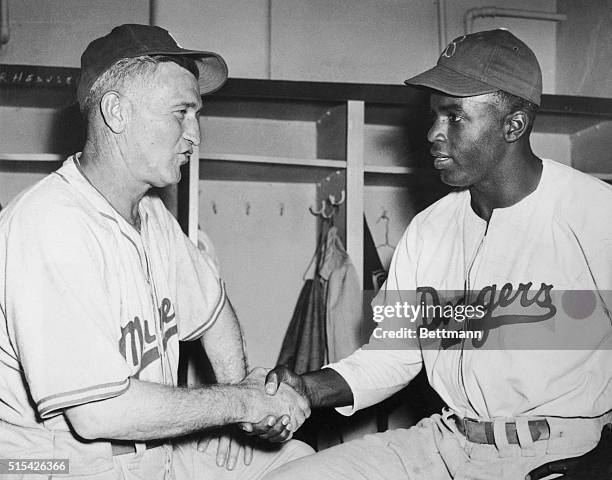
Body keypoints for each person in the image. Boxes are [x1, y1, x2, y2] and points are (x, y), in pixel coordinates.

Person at [246, 29, 612, 479]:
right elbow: (392, 355)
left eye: (455, 117)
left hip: (561, 452)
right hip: (445, 442)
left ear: (513, 125)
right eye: (435, 115)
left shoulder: (594, 214)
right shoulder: (429, 228)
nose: (434, 133)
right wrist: (305, 388)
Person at [0, 24, 314, 479]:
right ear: (116, 112)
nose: (195, 135)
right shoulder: (49, 224)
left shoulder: (152, 215)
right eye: (180, 112)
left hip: (147, 451)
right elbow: (100, 414)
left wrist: (241, 400)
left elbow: (213, 309)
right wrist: (240, 402)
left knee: (298, 461)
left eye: (196, 114)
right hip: (48, 463)